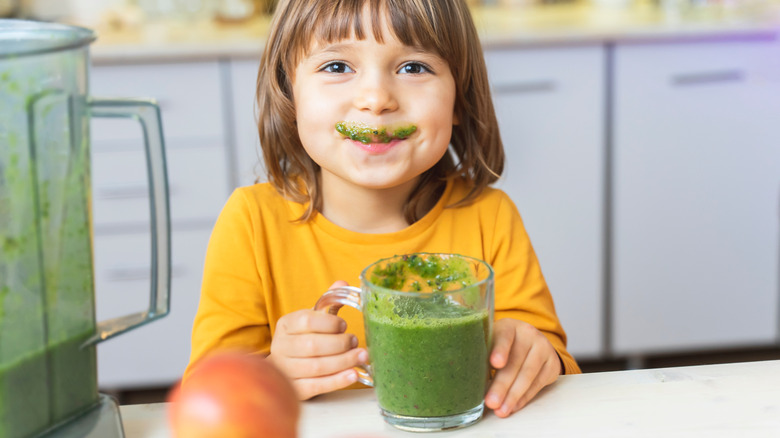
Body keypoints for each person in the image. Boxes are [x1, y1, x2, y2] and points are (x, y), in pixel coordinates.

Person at [187, 0, 581, 418]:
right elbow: (208, 391)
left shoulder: (490, 216)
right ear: (288, 94)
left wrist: (531, 356)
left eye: (413, 67)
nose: (376, 100)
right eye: (337, 67)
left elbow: (552, 360)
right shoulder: (251, 222)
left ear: (459, 100)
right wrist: (273, 374)